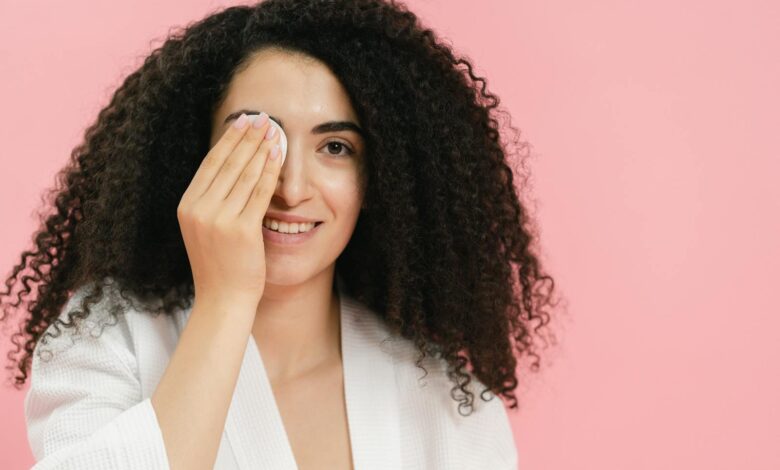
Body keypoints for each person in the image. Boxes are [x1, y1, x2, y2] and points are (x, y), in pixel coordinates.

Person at [2, 0, 560, 468]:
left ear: (380, 179)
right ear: (193, 153)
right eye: (256, 140)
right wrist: (225, 301)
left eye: (335, 148)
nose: (291, 188)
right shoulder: (106, 341)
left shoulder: (447, 401)